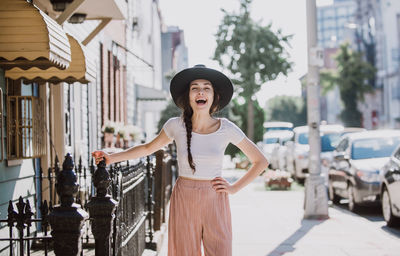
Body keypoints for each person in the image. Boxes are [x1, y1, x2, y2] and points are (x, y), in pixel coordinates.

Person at [92, 64, 268, 256]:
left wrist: (234, 188)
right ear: (188, 96)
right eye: (195, 88)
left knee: (220, 251)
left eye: (206, 88)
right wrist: (111, 158)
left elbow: (260, 161)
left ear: (214, 96)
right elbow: (147, 148)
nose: (200, 92)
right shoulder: (175, 126)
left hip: (215, 197)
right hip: (184, 196)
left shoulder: (226, 128)